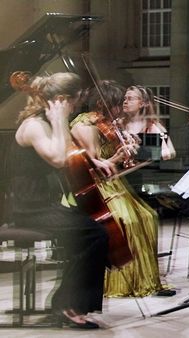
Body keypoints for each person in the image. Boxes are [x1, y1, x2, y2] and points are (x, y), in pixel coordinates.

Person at [10, 72, 108, 329]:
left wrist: (94, 162)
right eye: (74, 103)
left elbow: (67, 154)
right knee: (95, 235)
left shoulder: (46, 121)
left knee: (93, 231)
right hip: (28, 207)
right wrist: (61, 120)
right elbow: (57, 159)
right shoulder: (34, 125)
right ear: (64, 100)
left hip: (43, 204)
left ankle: (68, 301)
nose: (76, 108)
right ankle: (68, 304)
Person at [70, 80, 174, 297]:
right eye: (119, 103)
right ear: (103, 103)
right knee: (128, 220)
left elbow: (162, 151)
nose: (120, 110)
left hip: (115, 182)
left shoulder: (113, 125)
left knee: (148, 216)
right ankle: (120, 282)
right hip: (97, 185)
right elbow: (96, 165)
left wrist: (134, 150)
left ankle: (146, 280)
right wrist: (119, 155)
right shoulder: (87, 125)